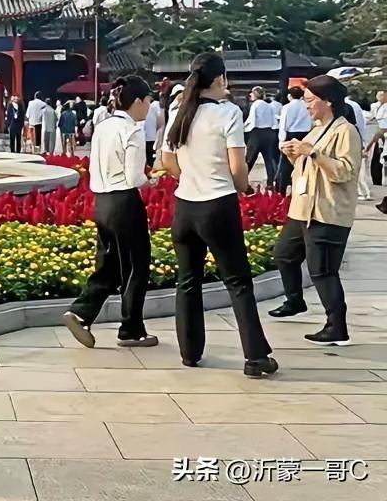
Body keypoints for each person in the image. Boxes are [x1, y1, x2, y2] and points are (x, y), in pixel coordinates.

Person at [161, 53, 278, 378]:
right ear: (220, 79)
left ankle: (189, 352)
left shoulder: (179, 111)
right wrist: (244, 187)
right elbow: (238, 167)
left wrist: (190, 176)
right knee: (238, 282)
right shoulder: (227, 113)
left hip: (185, 206)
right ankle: (255, 357)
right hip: (218, 205)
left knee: (187, 281)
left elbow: (167, 160)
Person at [63, 75, 158, 349]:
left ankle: (81, 312)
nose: (149, 106)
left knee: (110, 265)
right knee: (136, 267)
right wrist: (150, 180)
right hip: (125, 203)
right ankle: (131, 329)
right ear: (137, 101)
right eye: (148, 101)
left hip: (102, 202)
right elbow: (134, 177)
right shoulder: (133, 131)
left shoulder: (103, 127)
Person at [270, 75, 362, 346]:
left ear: (328, 101)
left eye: (311, 101)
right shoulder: (318, 128)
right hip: (302, 209)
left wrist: (312, 153)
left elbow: (345, 172)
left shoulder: (346, 131)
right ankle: (294, 300)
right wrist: (293, 154)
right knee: (284, 254)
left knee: (322, 271)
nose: (307, 106)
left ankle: (336, 328)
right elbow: (308, 167)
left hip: (327, 212)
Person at [275, 87, 312, 194]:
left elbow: (283, 125)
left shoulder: (287, 107)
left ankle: (281, 191)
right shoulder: (307, 106)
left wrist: (281, 141)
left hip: (291, 135)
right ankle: (301, 189)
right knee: (304, 164)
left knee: (285, 165)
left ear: (289, 96)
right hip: (305, 135)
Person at [244, 86, 279, 185]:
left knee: (250, 158)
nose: (250, 95)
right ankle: (270, 183)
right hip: (269, 133)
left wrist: (243, 128)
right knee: (268, 160)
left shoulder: (255, 105)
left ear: (255, 94)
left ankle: (243, 179)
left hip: (257, 133)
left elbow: (252, 120)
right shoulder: (269, 105)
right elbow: (274, 121)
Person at [346, 94, 372, 200]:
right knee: (362, 170)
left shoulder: (347, 106)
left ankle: (363, 192)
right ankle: (365, 191)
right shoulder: (356, 107)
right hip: (361, 141)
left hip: (354, 144)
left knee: (358, 171)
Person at [142, 95, 161, 167]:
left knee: (151, 161)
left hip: (149, 138)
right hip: (150, 137)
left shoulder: (154, 105)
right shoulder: (155, 105)